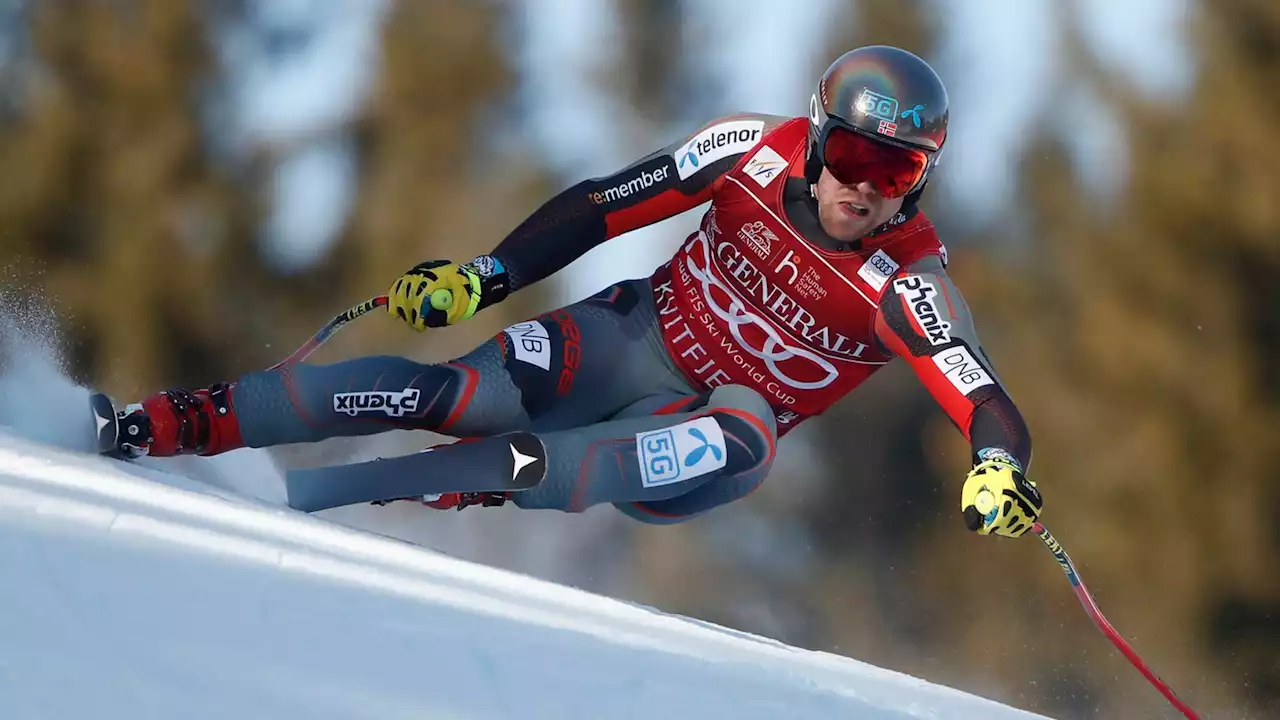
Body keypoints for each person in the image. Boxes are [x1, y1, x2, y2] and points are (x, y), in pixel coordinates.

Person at [110, 45, 1042, 537]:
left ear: (921, 181)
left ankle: (310, 506)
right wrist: (486, 276)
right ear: (815, 135)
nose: (864, 187)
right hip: (631, 339)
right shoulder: (749, 150)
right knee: (446, 397)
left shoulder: (907, 281)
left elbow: (984, 399)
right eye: (852, 154)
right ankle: (176, 422)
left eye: (896, 171)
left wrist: (998, 465)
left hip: (704, 433)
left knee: (731, 427)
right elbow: (603, 207)